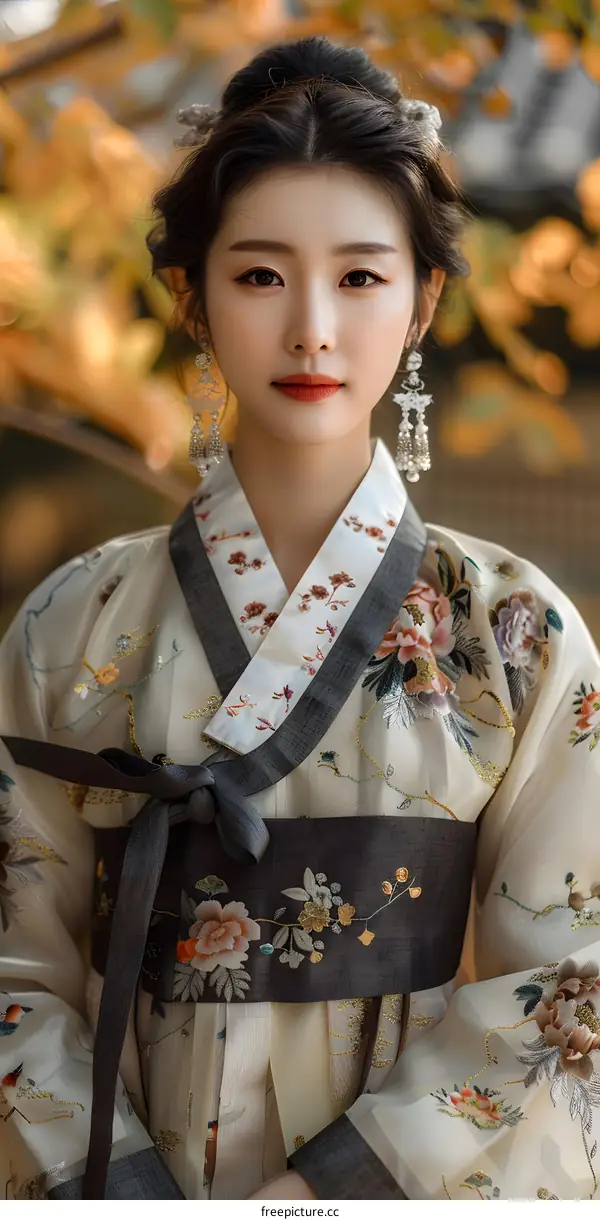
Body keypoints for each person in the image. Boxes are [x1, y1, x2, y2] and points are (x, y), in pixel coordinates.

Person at [0, 32, 599, 1204]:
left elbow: (573, 975)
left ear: (423, 302)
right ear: (193, 293)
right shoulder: (73, 621)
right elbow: (14, 957)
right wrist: (111, 1180)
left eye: (363, 277)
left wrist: (337, 1188)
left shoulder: (515, 632)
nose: (313, 326)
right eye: (262, 274)